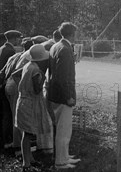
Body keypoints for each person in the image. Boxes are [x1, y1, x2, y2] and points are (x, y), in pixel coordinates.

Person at [15, 44, 53, 170]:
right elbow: (37, 90)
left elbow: (15, 75)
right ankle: (26, 164)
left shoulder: (28, 65)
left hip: (23, 100)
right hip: (30, 103)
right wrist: (42, 79)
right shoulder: (37, 71)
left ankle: (29, 159)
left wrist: (23, 89)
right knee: (28, 134)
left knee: (28, 133)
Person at [48, 22, 80, 169]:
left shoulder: (56, 46)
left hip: (54, 94)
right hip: (62, 96)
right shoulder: (65, 49)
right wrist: (68, 96)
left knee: (63, 129)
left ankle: (64, 156)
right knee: (64, 130)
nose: (77, 36)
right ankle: (60, 162)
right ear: (71, 34)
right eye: (76, 33)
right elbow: (62, 77)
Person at [1, 30, 22, 154]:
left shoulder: (2, 48)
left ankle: (5, 140)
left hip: (3, 83)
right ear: (13, 38)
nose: (19, 40)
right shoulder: (10, 51)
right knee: (8, 114)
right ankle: (8, 140)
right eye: (18, 38)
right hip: (6, 83)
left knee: (4, 113)